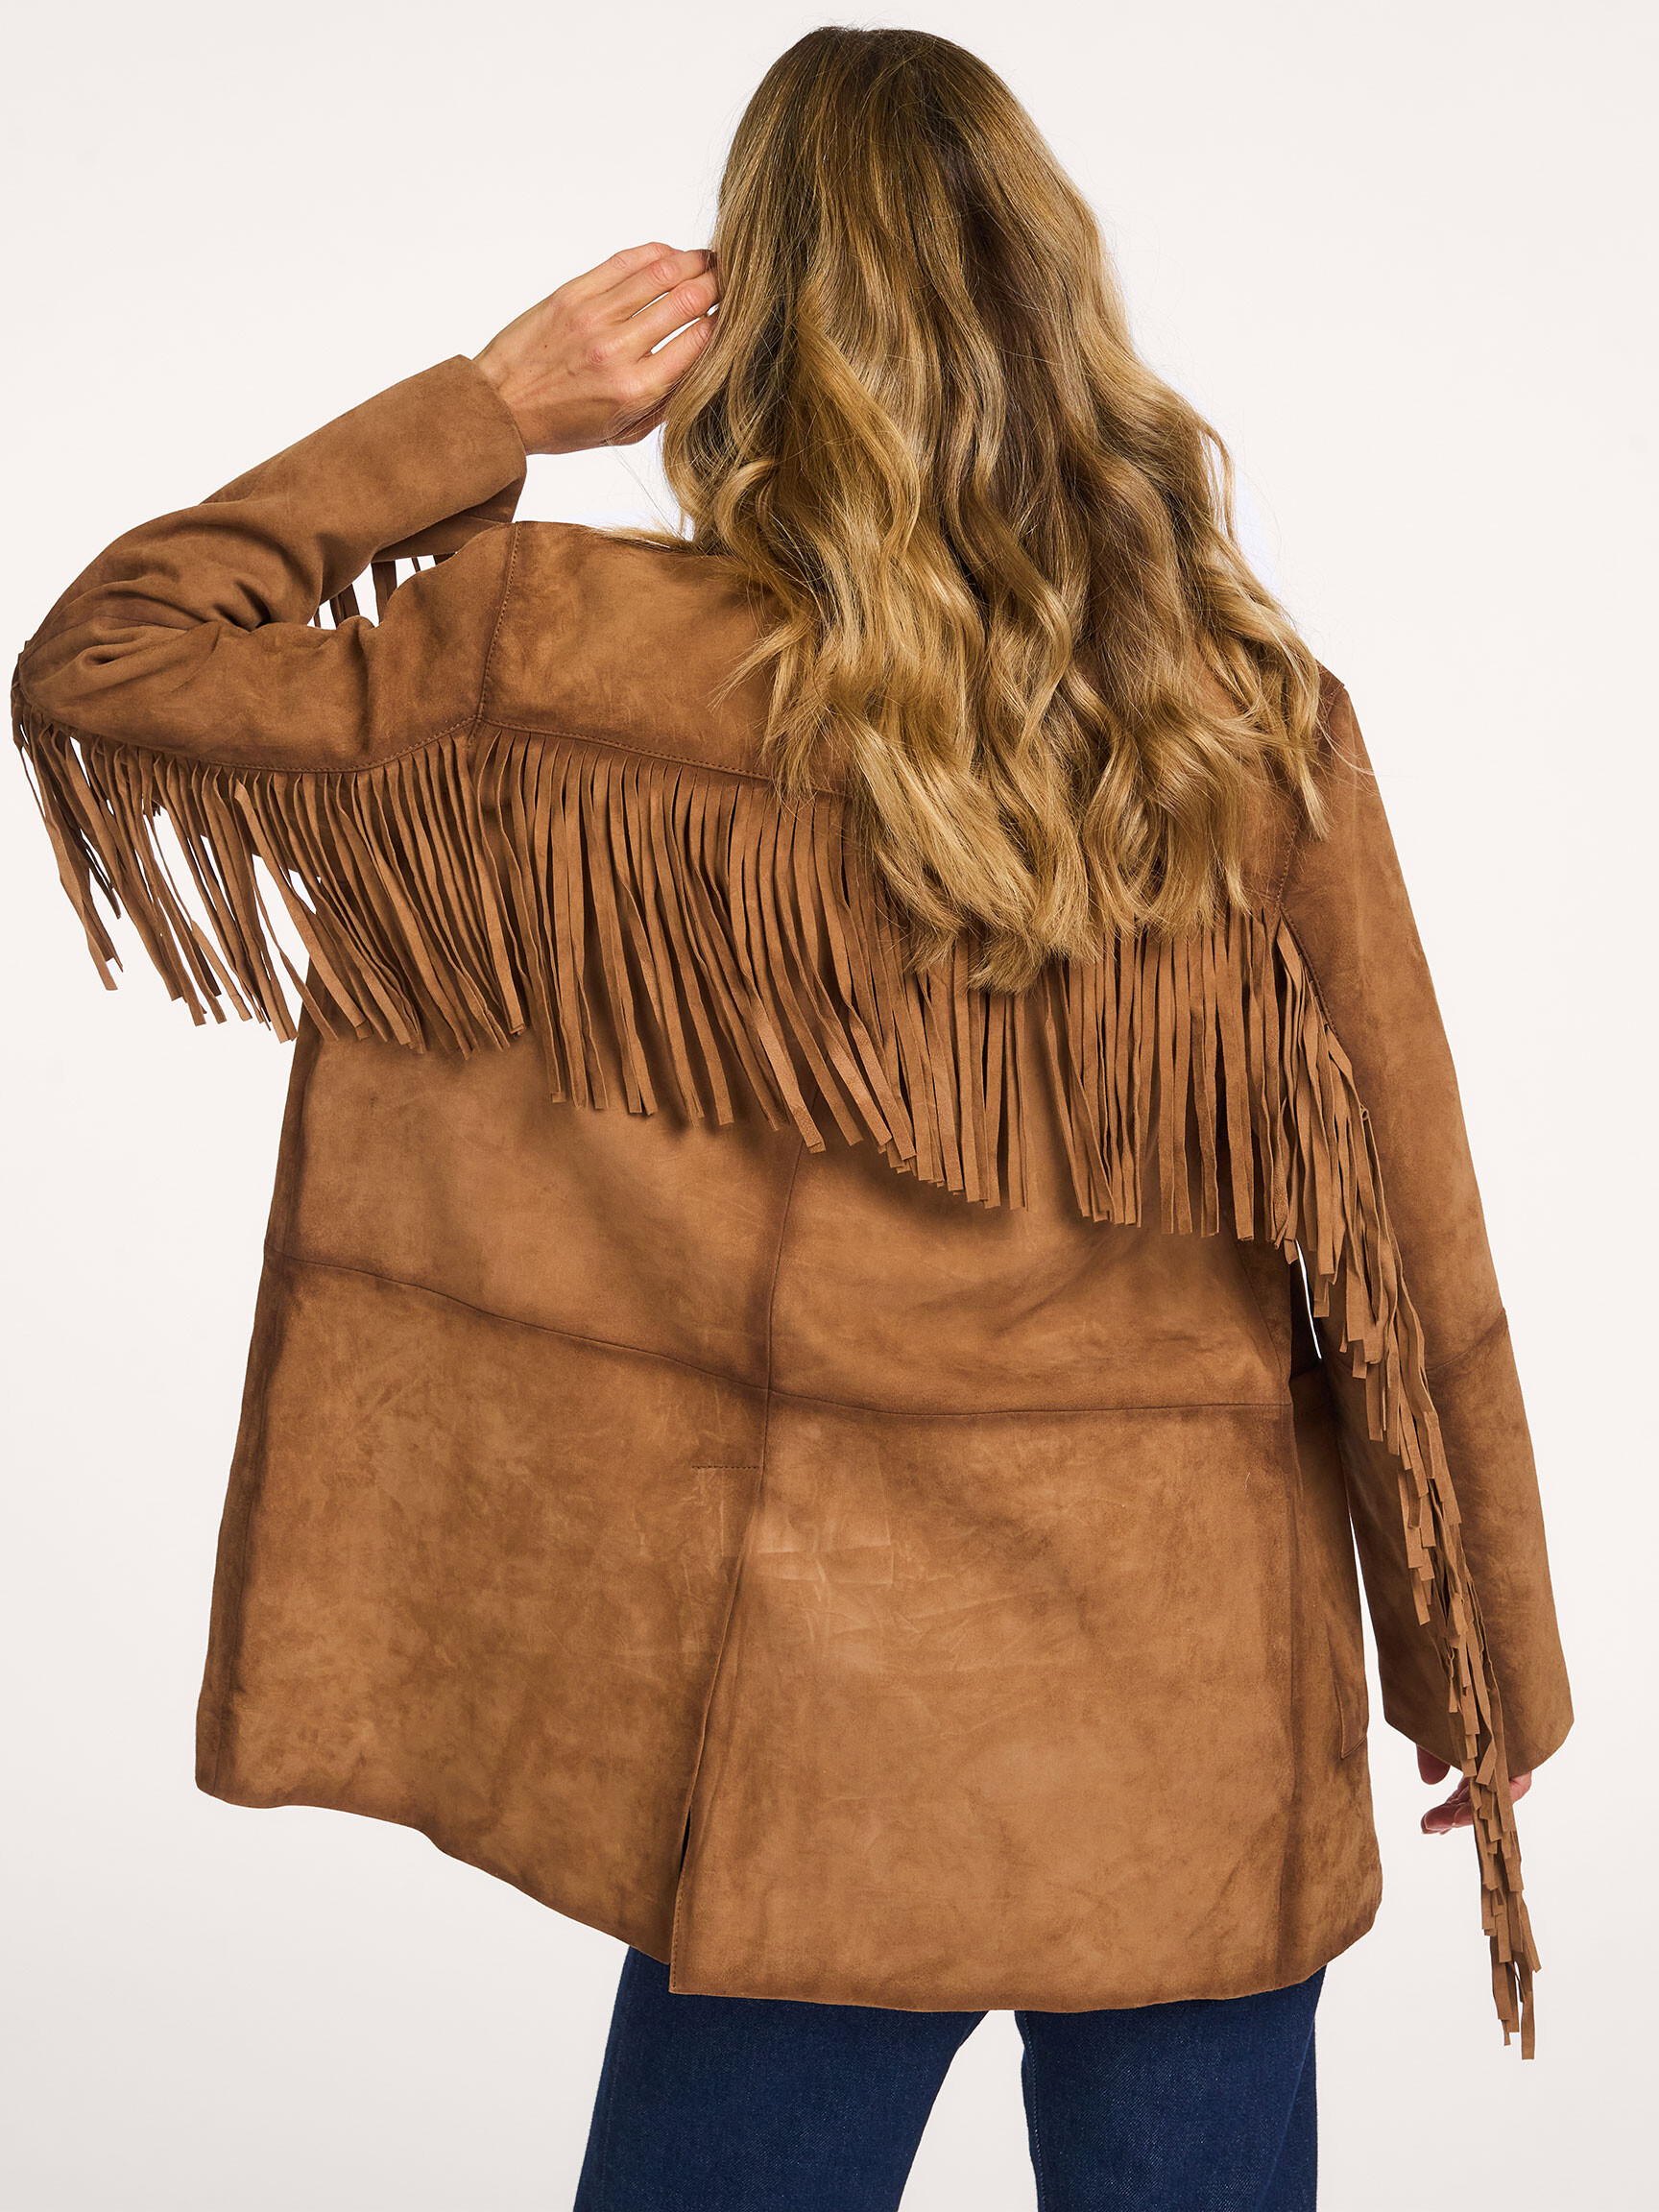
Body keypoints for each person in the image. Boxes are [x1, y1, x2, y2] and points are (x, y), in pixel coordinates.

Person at [12, 24, 1569, 2212]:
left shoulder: (559, 654)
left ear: (752, 320)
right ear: (1056, 303)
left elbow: (106, 663)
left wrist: (489, 407)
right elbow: (1402, 1235)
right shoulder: (1242, 723)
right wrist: (1475, 1677)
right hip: (1192, 1716)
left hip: (811, 1757)